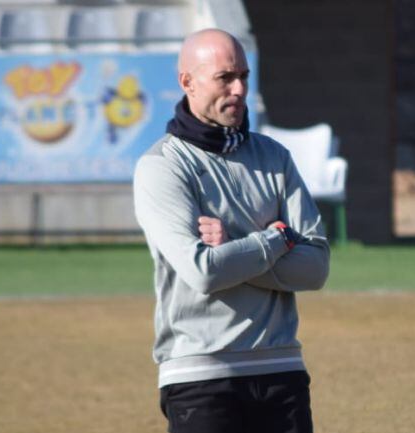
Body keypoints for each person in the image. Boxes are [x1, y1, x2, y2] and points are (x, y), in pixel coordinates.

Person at [132, 28, 331, 433]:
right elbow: (204, 272)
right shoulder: (162, 167)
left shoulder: (275, 157)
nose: (239, 88)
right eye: (225, 77)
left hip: (282, 368)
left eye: (244, 75)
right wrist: (275, 240)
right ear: (187, 81)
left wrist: (234, 250)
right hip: (200, 376)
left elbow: (315, 268)